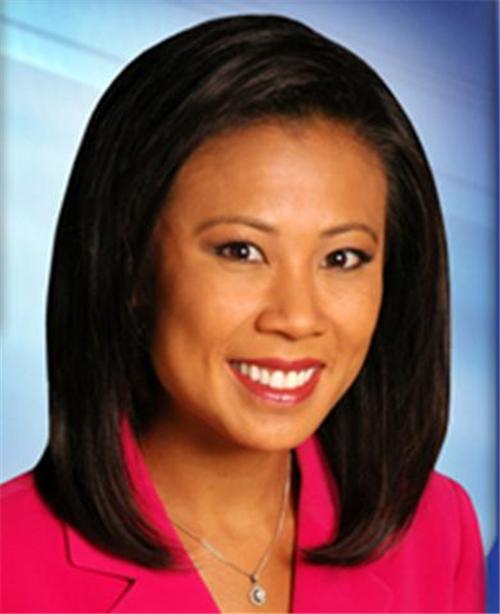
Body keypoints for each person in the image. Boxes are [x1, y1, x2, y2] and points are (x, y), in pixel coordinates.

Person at [0, 14, 485, 613]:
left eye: (342, 257)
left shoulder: (436, 528)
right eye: (241, 251)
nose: (297, 317)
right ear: (131, 264)